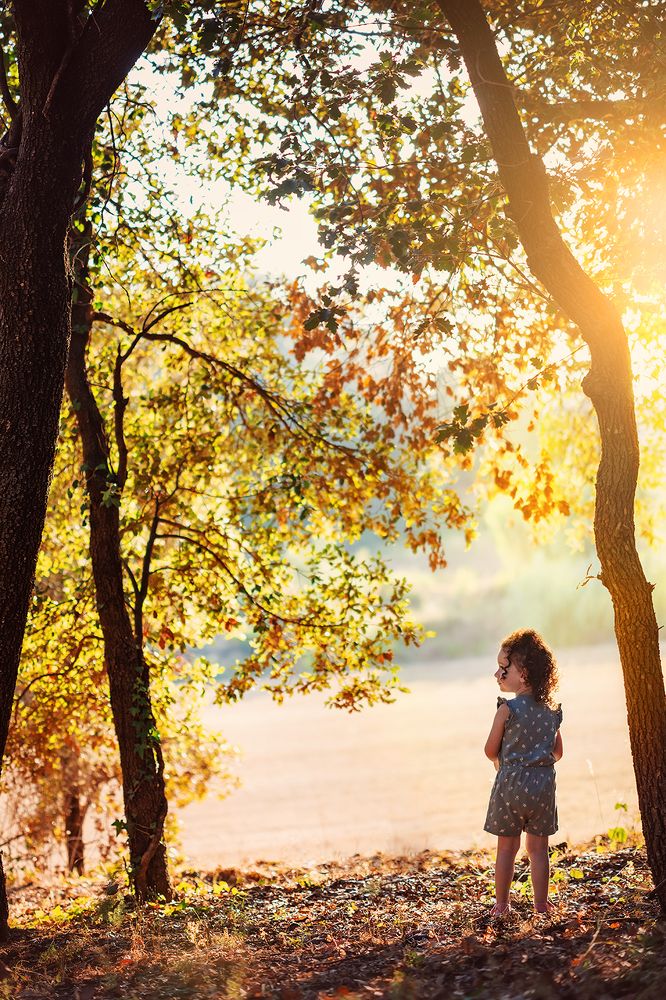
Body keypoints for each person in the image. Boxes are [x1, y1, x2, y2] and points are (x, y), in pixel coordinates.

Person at [483, 629, 563, 916]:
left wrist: (508, 761)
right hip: (543, 787)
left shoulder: (508, 710)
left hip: (511, 785)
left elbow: (490, 750)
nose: (497, 674)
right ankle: (541, 904)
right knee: (539, 850)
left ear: (524, 674)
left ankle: (501, 905)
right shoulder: (551, 711)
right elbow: (557, 752)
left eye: (504, 668)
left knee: (507, 848)